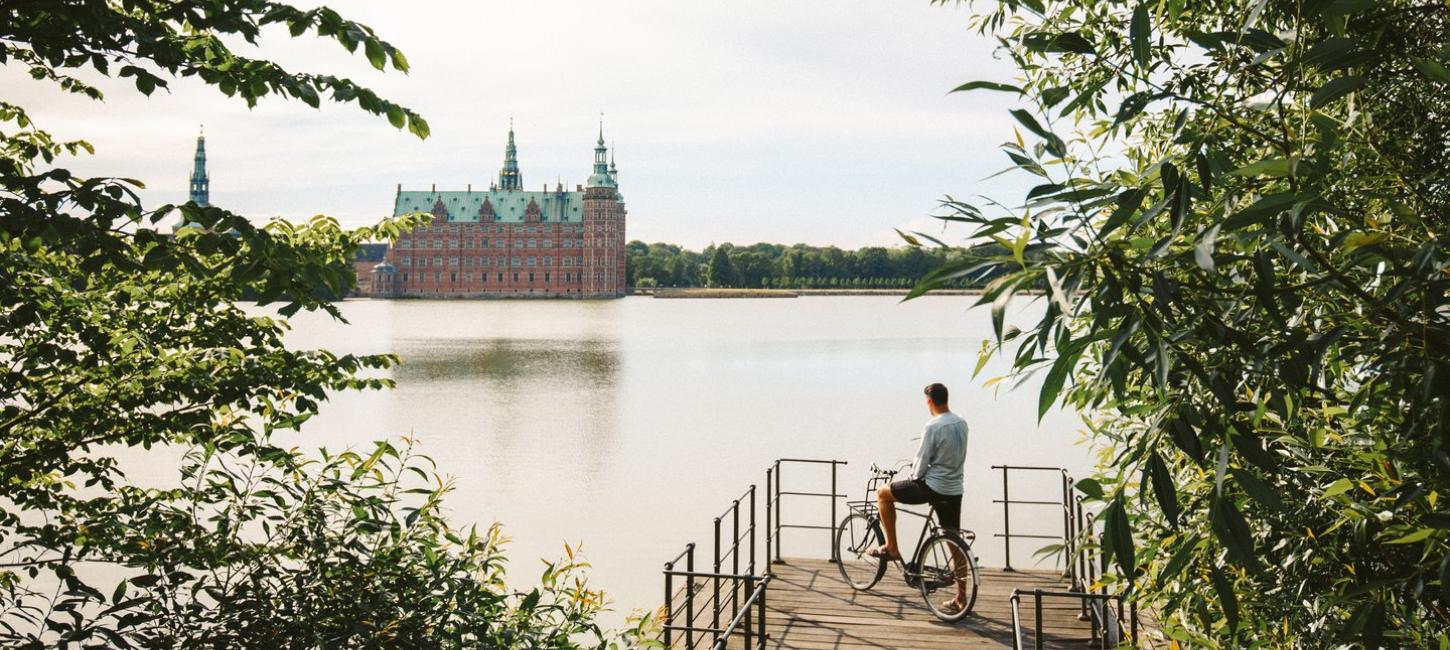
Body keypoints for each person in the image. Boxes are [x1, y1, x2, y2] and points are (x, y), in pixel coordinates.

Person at [869, 382, 969, 612]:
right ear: (947, 398)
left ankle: (892, 547)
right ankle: (961, 597)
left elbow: (921, 462)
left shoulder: (932, 426)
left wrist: (913, 475)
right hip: (954, 488)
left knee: (883, 493)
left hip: (932, 487)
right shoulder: (962, 423)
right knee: (954, 540)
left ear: (929, 401)